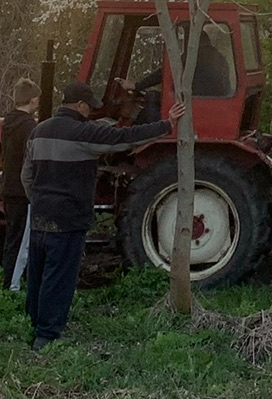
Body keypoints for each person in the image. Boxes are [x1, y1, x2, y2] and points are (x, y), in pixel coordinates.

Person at [22, 80, 185, 347]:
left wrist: (39, 201)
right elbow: (124, 138)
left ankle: (32, 322)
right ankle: (46, 336)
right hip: (69, 218)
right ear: (80, 105)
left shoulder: (38, 132)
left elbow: (26, 176)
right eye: (89, 107)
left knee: (37, 273)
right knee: (59, 277)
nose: (91, 112)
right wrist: (166, 125)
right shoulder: (84, 133)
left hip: (40, 216)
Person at [0, 78, 42, 289]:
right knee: (22, 242)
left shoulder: (8, 122)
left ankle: (12, 280)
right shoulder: (29, 126)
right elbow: (32, 159)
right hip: (22, 191)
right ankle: (12, 286)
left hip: (8, 187)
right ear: (32, 100)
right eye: (37, 100)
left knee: (12, 238)